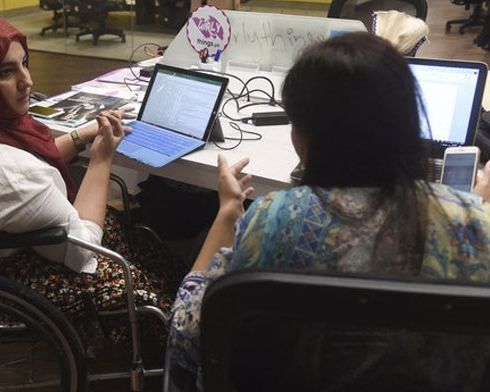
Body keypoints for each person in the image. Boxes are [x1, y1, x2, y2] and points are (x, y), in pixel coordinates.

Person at [168, 32, 490, 389]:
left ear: (304, 134)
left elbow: (187, 339)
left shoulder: (273, 219)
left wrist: (228, 212)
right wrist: (472, 207)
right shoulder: (472, 222)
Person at [0, 11, 184, 345]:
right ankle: (171, 331)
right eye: (5, 72)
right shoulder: (3, 171)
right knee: (143, 277)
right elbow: (84, 252)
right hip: (23, 270)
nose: (27, 81)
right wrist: (101, 159)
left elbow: (25, 165)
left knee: (140, 243)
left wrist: (83, 134)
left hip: (0, 247)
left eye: (24, 62)